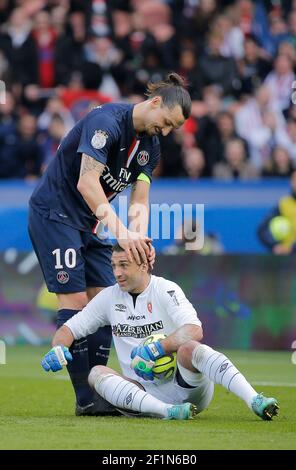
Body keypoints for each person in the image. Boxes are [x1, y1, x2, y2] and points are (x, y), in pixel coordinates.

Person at [29, 72, 191, 416]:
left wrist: (139, 238)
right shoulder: (105, 122)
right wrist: (121, 234)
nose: (166, 131)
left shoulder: (151, 146)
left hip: (90, 223)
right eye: (166, 123)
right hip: (55, 214)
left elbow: (140, 199)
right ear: (155, 102)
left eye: (172, 128)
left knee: (107, 300)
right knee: (74, 299)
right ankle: (87, 400)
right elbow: (88, 182)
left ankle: (97, 390)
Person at [41, 244, 279, 421]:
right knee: (96, 373)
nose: (117, 273)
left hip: (185, 386)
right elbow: (69, 328)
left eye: (124, 265)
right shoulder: (109, 297)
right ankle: (167, 413)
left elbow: (194, 329)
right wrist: (58, 347)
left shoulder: (166, 290)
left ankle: (254, 399)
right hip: (140, 394)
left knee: (190, 348)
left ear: (144, 265)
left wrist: (159, 347)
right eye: (113, 265)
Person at [257, 168, 296, 254]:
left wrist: (294, 248)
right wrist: (275, 245)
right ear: (291, 182)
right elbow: (262, 229)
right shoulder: (283, 204)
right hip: (287, 259)